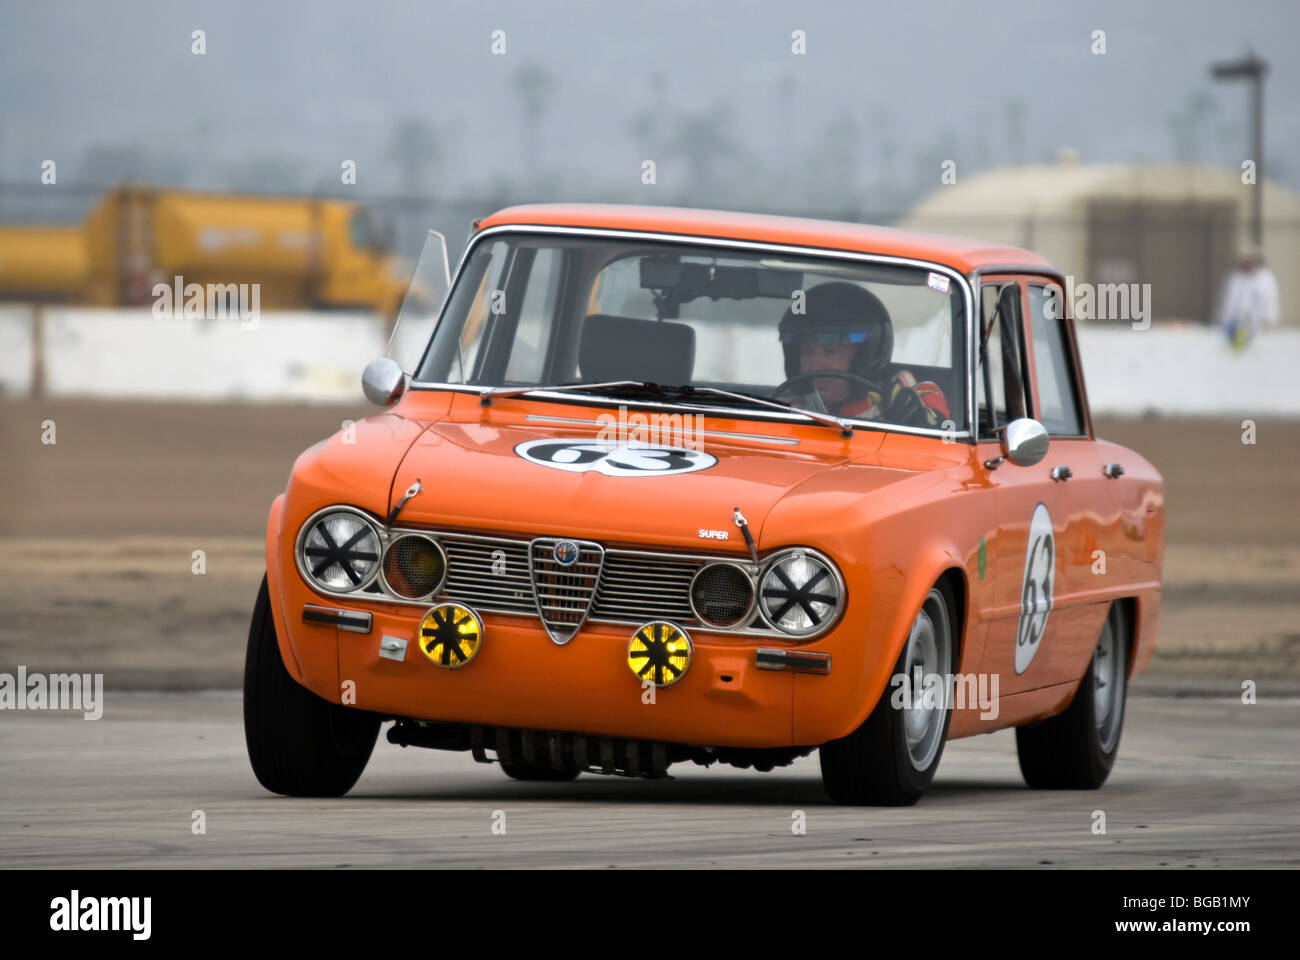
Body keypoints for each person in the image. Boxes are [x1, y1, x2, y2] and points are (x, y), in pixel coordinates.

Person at [777, 281, 949, 428]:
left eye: (830, 352)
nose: (815, 365)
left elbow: (939, 434)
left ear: (864, 356)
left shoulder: (907, 392)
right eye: (807, 352)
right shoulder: (788, 412)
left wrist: (910, 415)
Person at [1217, 246, 1280, 352]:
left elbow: (1270, 301)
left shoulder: (1265, 279)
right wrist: (1224, 319)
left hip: (1258, 325)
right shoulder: (1236, 279)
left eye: (1250, 261)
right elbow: (1229, 302)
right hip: (1236, 323)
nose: (1247, 264)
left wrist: (1269, 319)